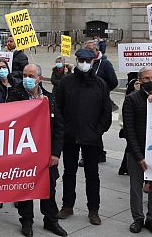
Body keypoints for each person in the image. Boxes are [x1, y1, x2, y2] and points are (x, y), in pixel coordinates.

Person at [54, 48, 112, 226]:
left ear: (93, 62)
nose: (84, 63)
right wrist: (63, 130)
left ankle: (93, 210)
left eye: (88, 60)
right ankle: (67, 205)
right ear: (77, 60)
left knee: (92, 175)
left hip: (92, 139)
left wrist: (98, 131)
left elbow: (106, 113)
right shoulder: (66, 82)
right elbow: (58, 108)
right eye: (81, 60)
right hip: (70, 137)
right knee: (69, 173)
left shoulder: (100, 84)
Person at [10, 64, 67, 237]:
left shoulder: (49, 98)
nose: (27, 79)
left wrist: (55, 153)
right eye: (25, 75)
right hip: (24, 153)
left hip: (46, 154)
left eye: (31, 76)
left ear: (39, 79)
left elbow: (58, 127)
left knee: (49, 188)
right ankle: (26, 222)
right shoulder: (15, 96)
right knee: (26, 189)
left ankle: (51, 220)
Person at [122, 67, 152, 236]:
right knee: (136, 187)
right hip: (136, 152)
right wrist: (139, 156)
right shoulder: (131, 99)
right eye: (147, 78)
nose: (151, 81)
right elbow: (129, 130)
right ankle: (138, 219)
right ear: (140, 81)